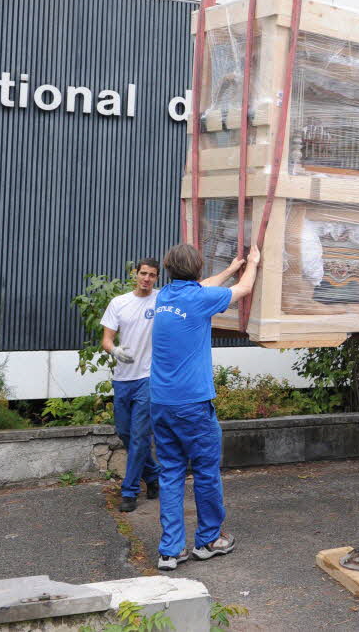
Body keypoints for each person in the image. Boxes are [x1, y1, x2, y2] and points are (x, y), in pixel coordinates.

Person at [150, 243, 260, 571]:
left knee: (170, 473)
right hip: (192, 404)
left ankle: (170, 551)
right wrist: (251, 263)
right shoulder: (198, 300)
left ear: (170, 270)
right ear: (197, 268)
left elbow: (206, 287)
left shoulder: (165, 297)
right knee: (205, 471)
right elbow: (244, 289)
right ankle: (209, 540)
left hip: (161, 402)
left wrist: (229, 267)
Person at [99, 258, 162, 513]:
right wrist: (115, 350)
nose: (147, 279)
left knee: (139, 436)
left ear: (157, 278)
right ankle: (154, 475)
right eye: (143, 274)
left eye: (152, 275)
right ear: (135, 274)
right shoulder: (119, 303)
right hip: (123, 378)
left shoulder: (161, 300)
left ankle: (129, 492)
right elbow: (106, 340)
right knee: (124, 433)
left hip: (148, 377)